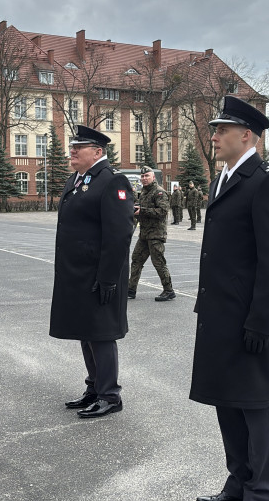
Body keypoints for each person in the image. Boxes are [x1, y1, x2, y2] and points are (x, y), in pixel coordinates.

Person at [190, 95, 269, 501]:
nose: (214, 137)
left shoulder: (267, 182)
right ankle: (238, 482)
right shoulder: (223, 179)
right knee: (226, 400)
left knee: (254, 405)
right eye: (215, 130)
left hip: (249, 318)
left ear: (247, 135)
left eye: (221, 130)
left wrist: (262, 322)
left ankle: (261, 495)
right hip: (219, 313)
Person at [49, 125, 134, 418]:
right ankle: (94, 388)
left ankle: (110, 395)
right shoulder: (77, 179)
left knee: (101, 334)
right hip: (79, 274)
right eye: (72, 146)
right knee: (86, 331)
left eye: (79, 147)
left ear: (97, 152)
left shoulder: (112, 181)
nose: (72, 151)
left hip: (100, 274)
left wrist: (108, 278)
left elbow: (119, 234)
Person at [128, 166, 175, 302]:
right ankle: (131, 290)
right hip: (144, 234)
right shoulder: (144, 192)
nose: (144, 178)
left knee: (158, 262)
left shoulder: (159, 192)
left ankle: (169, 290)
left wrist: (142, 211)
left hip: (156, 235)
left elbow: (162, 211)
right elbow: (142, 209)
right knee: (136, 260)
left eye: (147, 176)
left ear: (153, 177)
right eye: (142, 176)